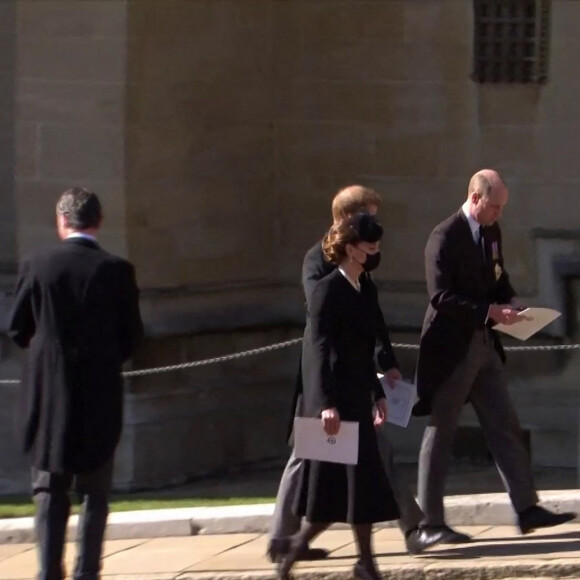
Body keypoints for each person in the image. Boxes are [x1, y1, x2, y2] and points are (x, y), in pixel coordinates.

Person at [267, 186, 443, 563]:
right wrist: (327, 398)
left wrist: (385, 362)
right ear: (349, 222)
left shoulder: (361, 269)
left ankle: (399, 535)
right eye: (369, 219)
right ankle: (287, 541)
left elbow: (371, 321)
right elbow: (324, 333)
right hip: (324, 382)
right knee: (308, 460)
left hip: (352, 381)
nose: (375, 229)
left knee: (365, 459)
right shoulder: (318, 262)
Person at [413, 169, 576, 543]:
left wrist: (512, 303)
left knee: (504, 423)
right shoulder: (444, 236)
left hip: (486, 345)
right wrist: (490, 312)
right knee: (441, 429)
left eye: (502, 207)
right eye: (494, 206)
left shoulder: (490, 232)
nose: (498, 214)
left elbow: (497, 278)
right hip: (452, 348)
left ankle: (526, 508)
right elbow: (440, 297)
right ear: (475, 197)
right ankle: (430, 524)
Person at [8, 187, 144, 580]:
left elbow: (18, 327)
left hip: (48, 395)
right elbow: (132, 337)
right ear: (98, 222)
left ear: (61, 220)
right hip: (99, 392)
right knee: (94, 492)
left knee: (49, 489)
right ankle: (87, 572)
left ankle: (49, 571)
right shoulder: (116, 269)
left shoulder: (37, 263)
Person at [277, 213, 399, 580]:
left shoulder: (366, 288)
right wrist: (324, 404)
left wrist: (377, 392)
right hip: (334, 405)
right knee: (328, 496)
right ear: (350, 249)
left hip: (357, 400)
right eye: (369, 247)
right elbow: (316, 352)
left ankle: (366, 563)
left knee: (361, 486)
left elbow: (367, 347)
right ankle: (293, 553)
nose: (375, 253)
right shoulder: (326, 290)